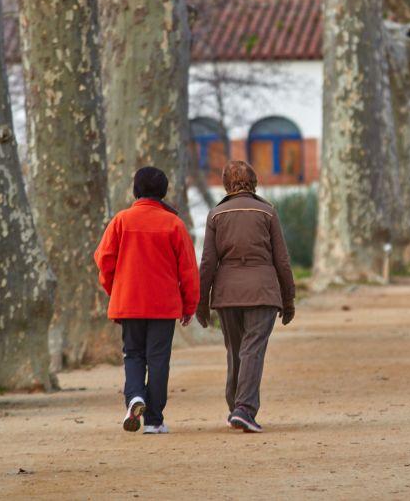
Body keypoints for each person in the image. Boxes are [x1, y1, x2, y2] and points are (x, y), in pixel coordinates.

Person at [94, 166, 200, 434]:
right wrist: (190, 305)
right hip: (164, 306)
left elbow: (104, 261)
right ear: (163, 193)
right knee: (158, 359)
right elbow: (188, 269)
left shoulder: (120, 221)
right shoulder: (174, 224)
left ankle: (134, 398)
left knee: (133, 354)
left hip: (129, 301)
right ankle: (154, 419)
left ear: (135, 190)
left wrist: (114, 290)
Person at [196, 160, 295, 433]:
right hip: (263, 290)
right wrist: (289, 299)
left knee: (236, 350)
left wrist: (201, 302)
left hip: (227, 292)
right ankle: (244, 409)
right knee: (253, 349)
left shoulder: (216, 214)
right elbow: (282, 261)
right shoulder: (268, 212)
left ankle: (236, 406)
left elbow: (207, 263)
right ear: (254, 182)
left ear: (227, 184)